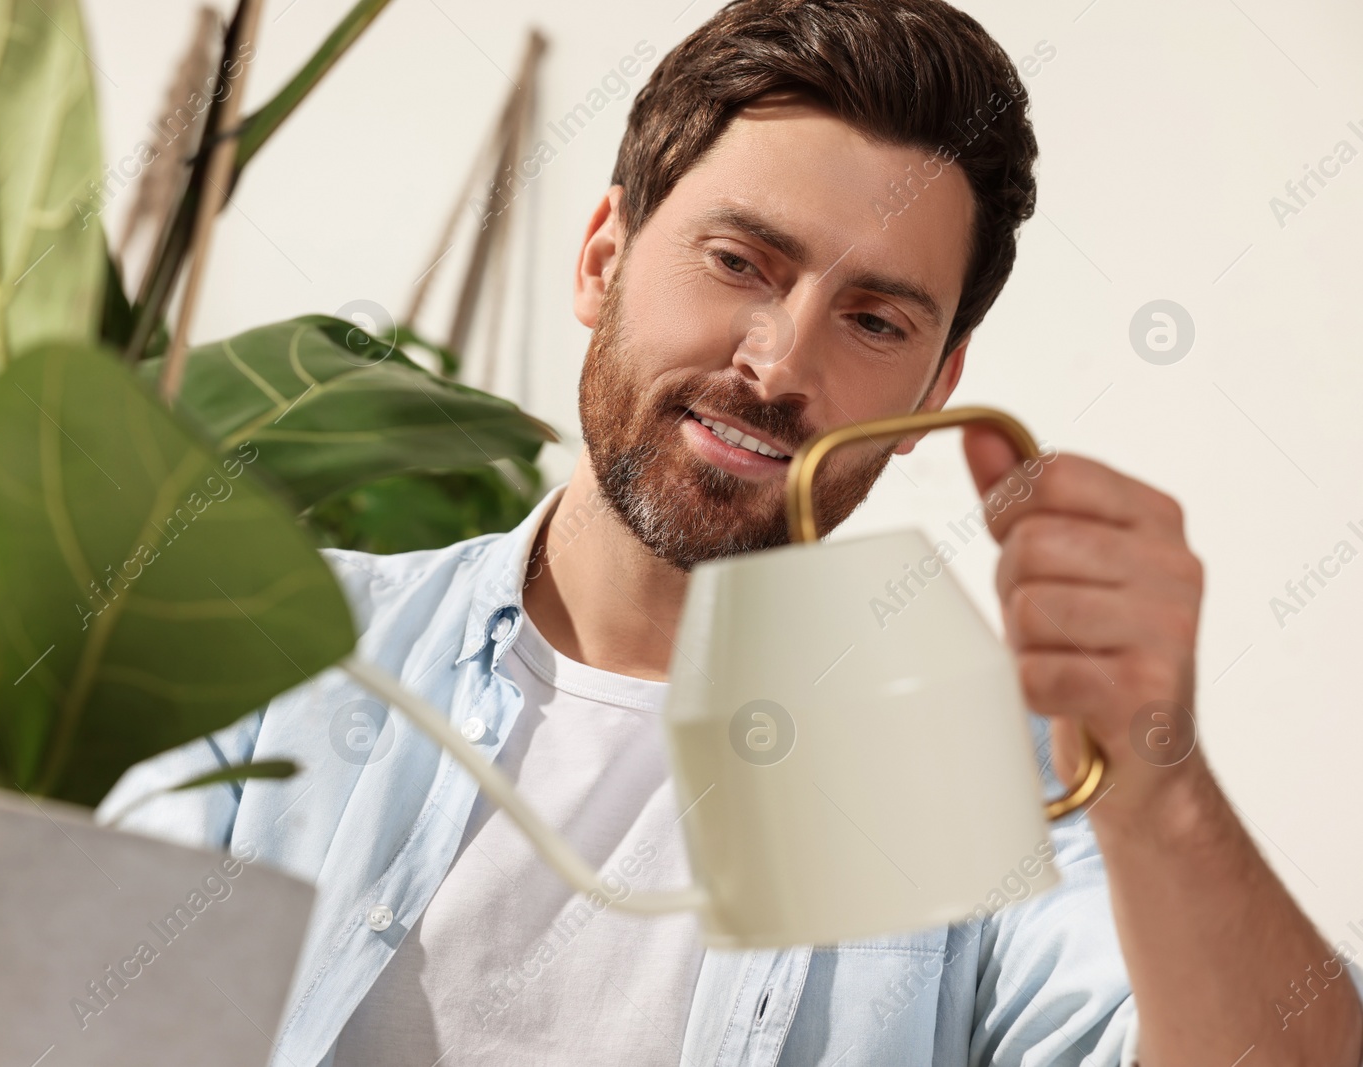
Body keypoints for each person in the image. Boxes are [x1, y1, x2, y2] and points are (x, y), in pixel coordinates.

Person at [101, 1, 1363, 1063]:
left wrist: (1164, 785)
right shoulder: (281, 653)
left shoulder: (984, 781)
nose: (778, 365)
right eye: (740, 261)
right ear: (603, 256)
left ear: (937, 383)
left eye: (873, 320)